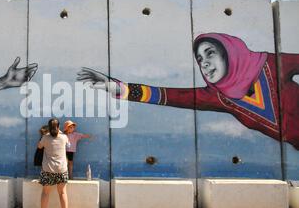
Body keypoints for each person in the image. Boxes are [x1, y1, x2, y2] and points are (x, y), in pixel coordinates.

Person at [77, 32, 299, 150]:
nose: (204, 63)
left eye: (210, 53)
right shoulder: (219, 97)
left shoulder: (272, 64)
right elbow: (167, 96)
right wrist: (118, 88)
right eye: (199, 58)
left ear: (229, 52)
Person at [37, 118, 71, 208]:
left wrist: (46, 135)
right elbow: (68, 146)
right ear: (58, 127)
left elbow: (39, 146)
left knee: (45, 193)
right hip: (61, 169)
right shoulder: (64, 137)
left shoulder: (45, 138)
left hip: (48, 169)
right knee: (62, 193)